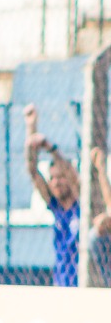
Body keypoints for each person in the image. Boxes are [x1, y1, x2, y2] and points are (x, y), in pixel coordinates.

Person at [24, 103, 111, 286]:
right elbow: (32, 170)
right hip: (61, 284)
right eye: (52, 178)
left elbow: (73, 177)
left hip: (85, 283)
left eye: (61, 177)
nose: (56, 182)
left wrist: (51, 148)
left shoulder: (83, 204)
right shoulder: (56, 207)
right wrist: (31, 128)